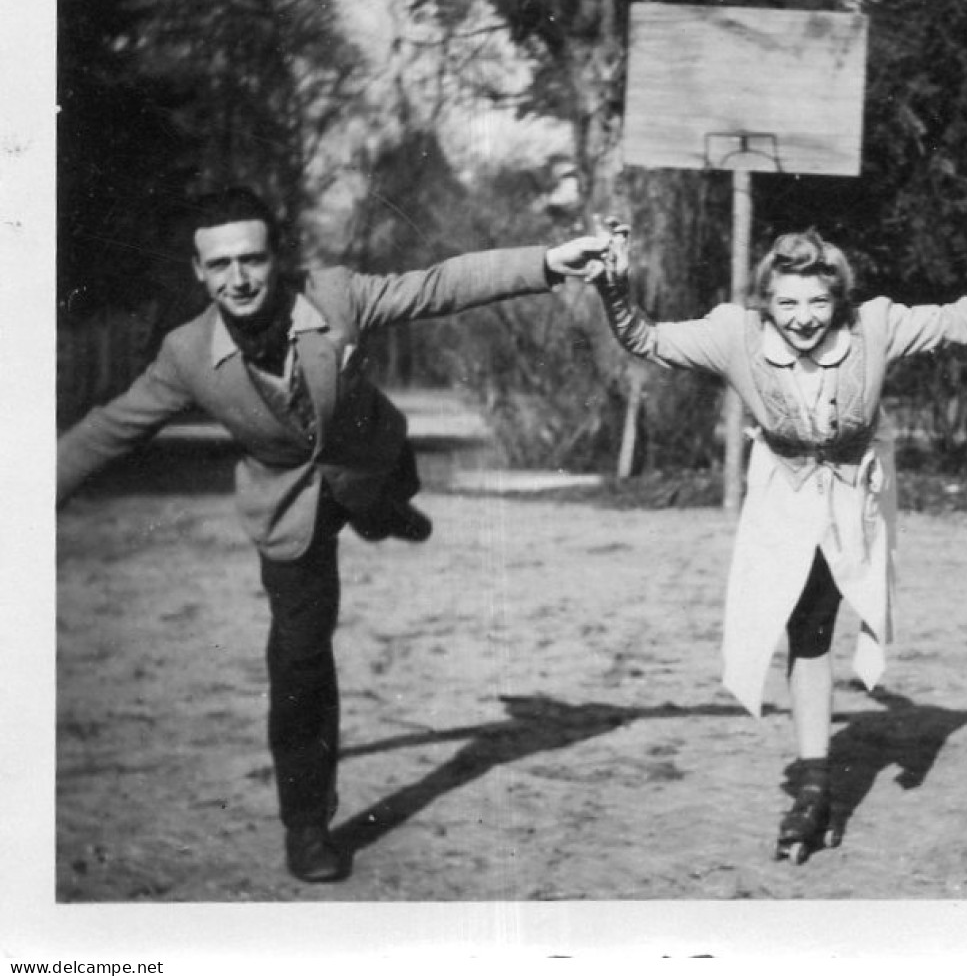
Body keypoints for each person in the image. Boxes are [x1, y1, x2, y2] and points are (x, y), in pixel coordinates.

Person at [56, 188, 611, 883]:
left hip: (368, 456)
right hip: (289, 507)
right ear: (199, 272)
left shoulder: (337, 296)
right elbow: (112, 427)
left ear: (277, 258)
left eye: (252, 258)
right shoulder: (186, 353)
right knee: (298, 658)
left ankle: (388, 512)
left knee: (385, 492)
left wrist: (549, 261)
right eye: (220, 264)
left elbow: (439, 286)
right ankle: (307, 821)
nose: (239, 278)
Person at [590, 211, 967, 863]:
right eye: (787, 301)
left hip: (853, 491)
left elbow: (961, 320)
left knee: (839, 616)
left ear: (838, 297)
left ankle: (817, 781)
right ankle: (814, 785)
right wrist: (613, 291)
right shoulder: (737, 334)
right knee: (805, 629)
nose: (804, 316)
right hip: (785, 494)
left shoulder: (873, 328)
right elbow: (645, 339)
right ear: (766, 300)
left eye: (818, 301)